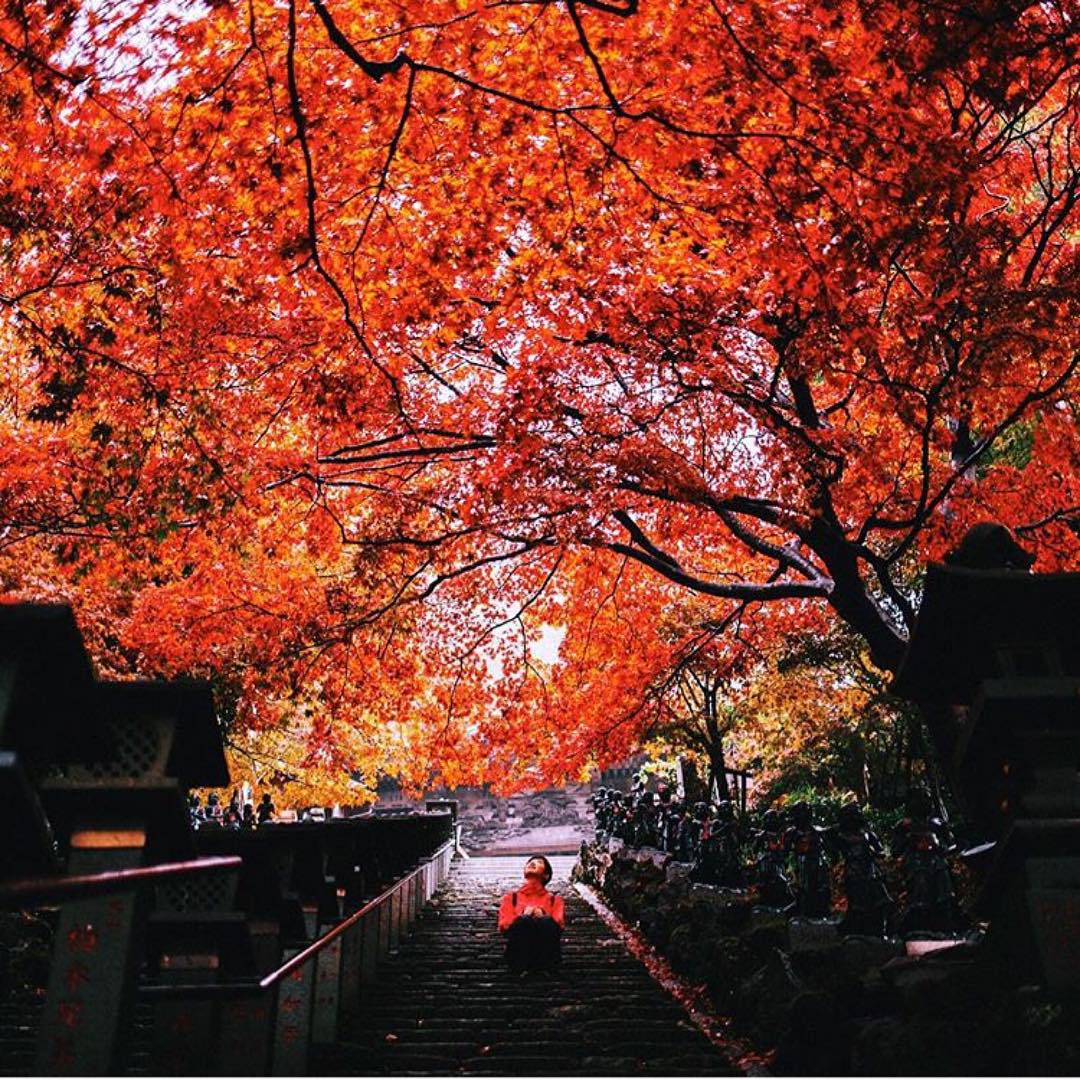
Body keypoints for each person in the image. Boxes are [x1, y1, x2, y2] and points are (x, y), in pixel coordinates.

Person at [497, 855, 565, 974]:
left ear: (546, 875)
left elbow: (559, 925)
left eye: (539, 862)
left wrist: (542, 915)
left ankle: (544, 966)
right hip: (518, 956)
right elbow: (504, 925)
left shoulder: (555, 900)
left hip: (547, 955)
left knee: (545, 921)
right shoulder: (511, 898)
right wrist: (523, 917)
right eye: (530, 862)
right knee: (524, 921)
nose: (532, 863)